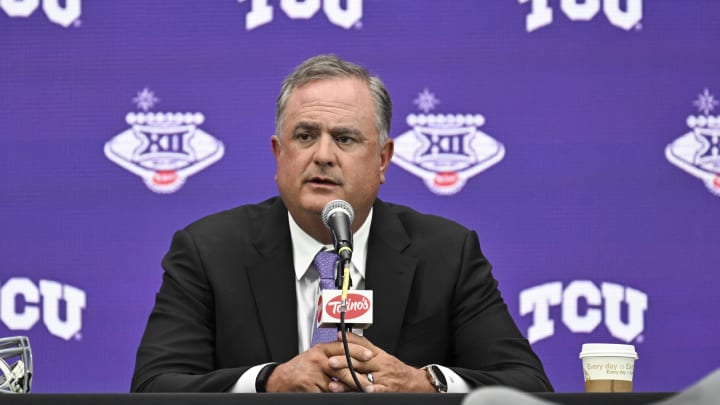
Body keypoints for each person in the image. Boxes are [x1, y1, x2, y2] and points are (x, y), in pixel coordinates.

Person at [131, 54, 553, 393]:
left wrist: (424, 383)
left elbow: (525, 385)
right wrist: (268, 382)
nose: (323, 155)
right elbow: (155, 387)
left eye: (345, 138)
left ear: (383, 160)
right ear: (279, 155)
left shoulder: (446, 253)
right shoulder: (209, 251)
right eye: (305, 136)